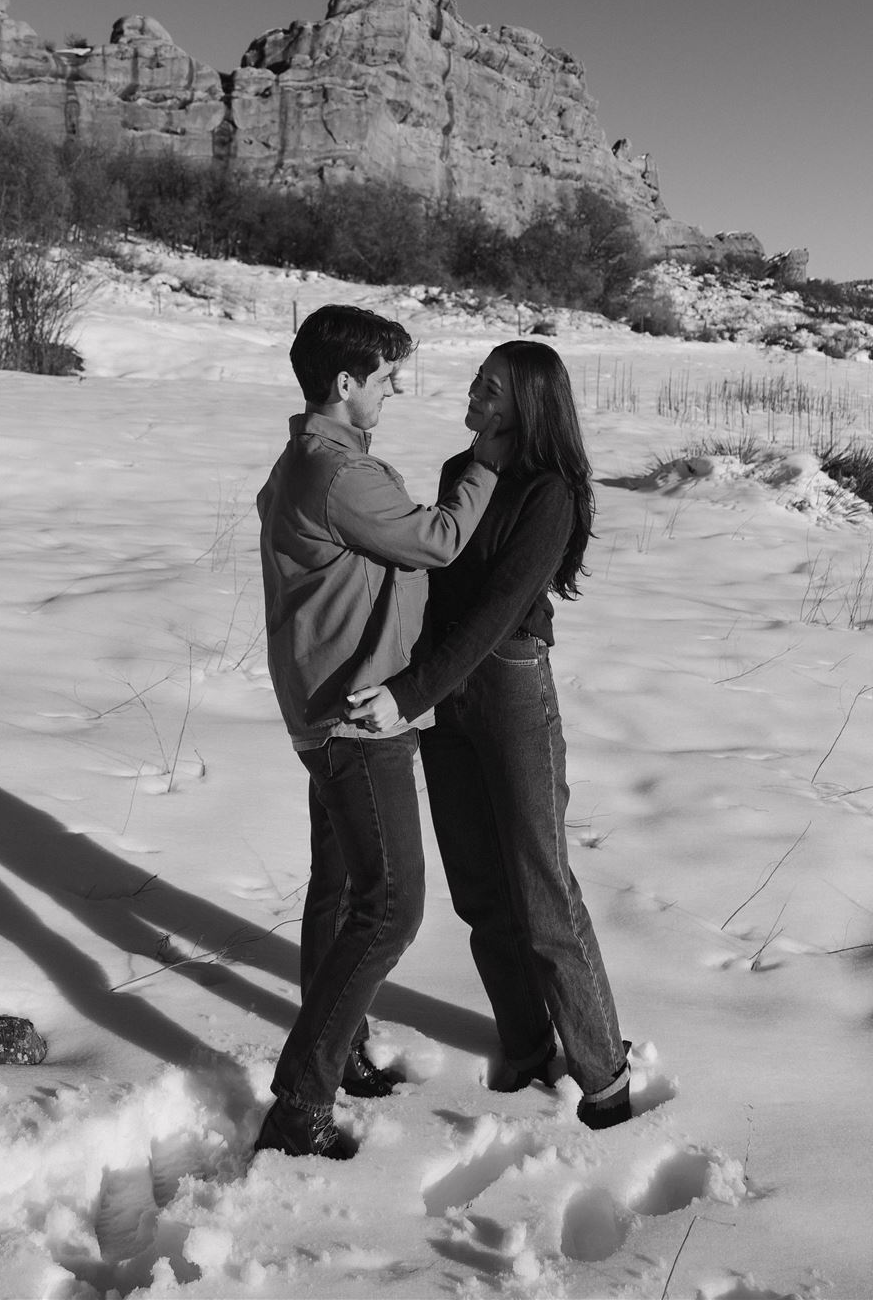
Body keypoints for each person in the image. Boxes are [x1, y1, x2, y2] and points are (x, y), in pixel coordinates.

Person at [347, 341, 631, 1131]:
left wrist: (410, 691)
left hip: (506, 684)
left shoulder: (552, 492)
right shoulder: (456, 472)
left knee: (541, 889)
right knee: (477, 890)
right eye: (477, 380)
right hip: (444, 686)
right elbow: (433, 581)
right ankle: (527, 1047)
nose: (473, 392)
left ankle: (603, 1073)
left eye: (491, 387)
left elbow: (499, 606)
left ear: (528, 403)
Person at [253, 304, 504, 1161]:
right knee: (391, 908)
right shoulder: (337, 473)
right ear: (344, 383)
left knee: (341, 893)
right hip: (358, 715)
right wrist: (485, 468)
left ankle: (343, 1046)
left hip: (326, 703)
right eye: (389, 376)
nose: (399, 389)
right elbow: (434, 541)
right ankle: (298, 1102)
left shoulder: (317, 461)